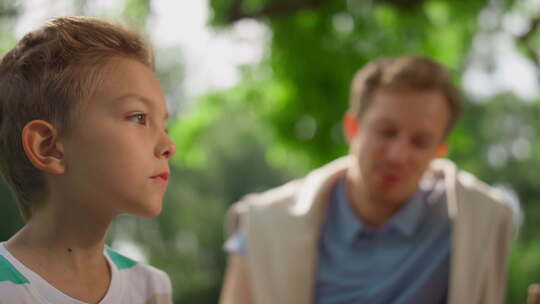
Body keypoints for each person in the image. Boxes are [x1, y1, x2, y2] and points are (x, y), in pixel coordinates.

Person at [220, 55, 516, 304]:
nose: (398, 155)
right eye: (386, 132)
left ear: (439, 151)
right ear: (353, 128)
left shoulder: (472, 225)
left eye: (420, 141)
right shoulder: (266, 225)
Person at [0, 16, 175, 303]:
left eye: (164, 125)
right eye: (139, 117)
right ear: (50, 147)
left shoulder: (152, 288)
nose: (169, 145)